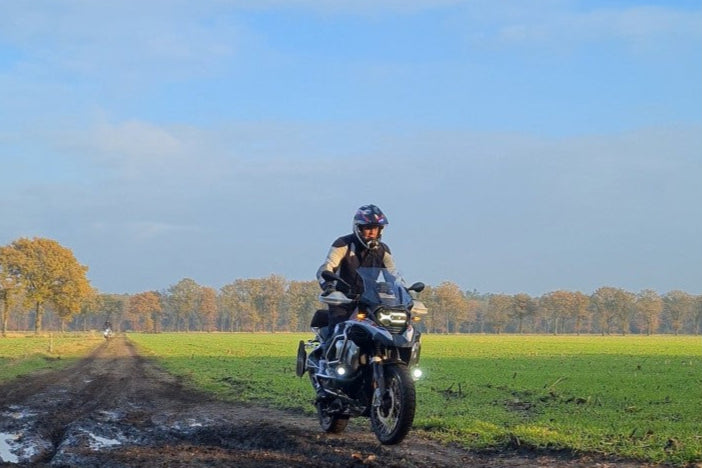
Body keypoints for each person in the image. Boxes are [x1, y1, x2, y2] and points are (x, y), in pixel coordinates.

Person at [316, 204, 397, 339]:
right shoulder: (343, 244)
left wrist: (403, 290)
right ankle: (328, 357)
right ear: (359, 229)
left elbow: (393, 274)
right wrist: (329, 286)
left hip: (371, 301)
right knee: (338, 333)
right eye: (367, 228)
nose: (372, 232)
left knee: (388, 332)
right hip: (343, 300)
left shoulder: (383, 250)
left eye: (375, 228)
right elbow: (326, 267)